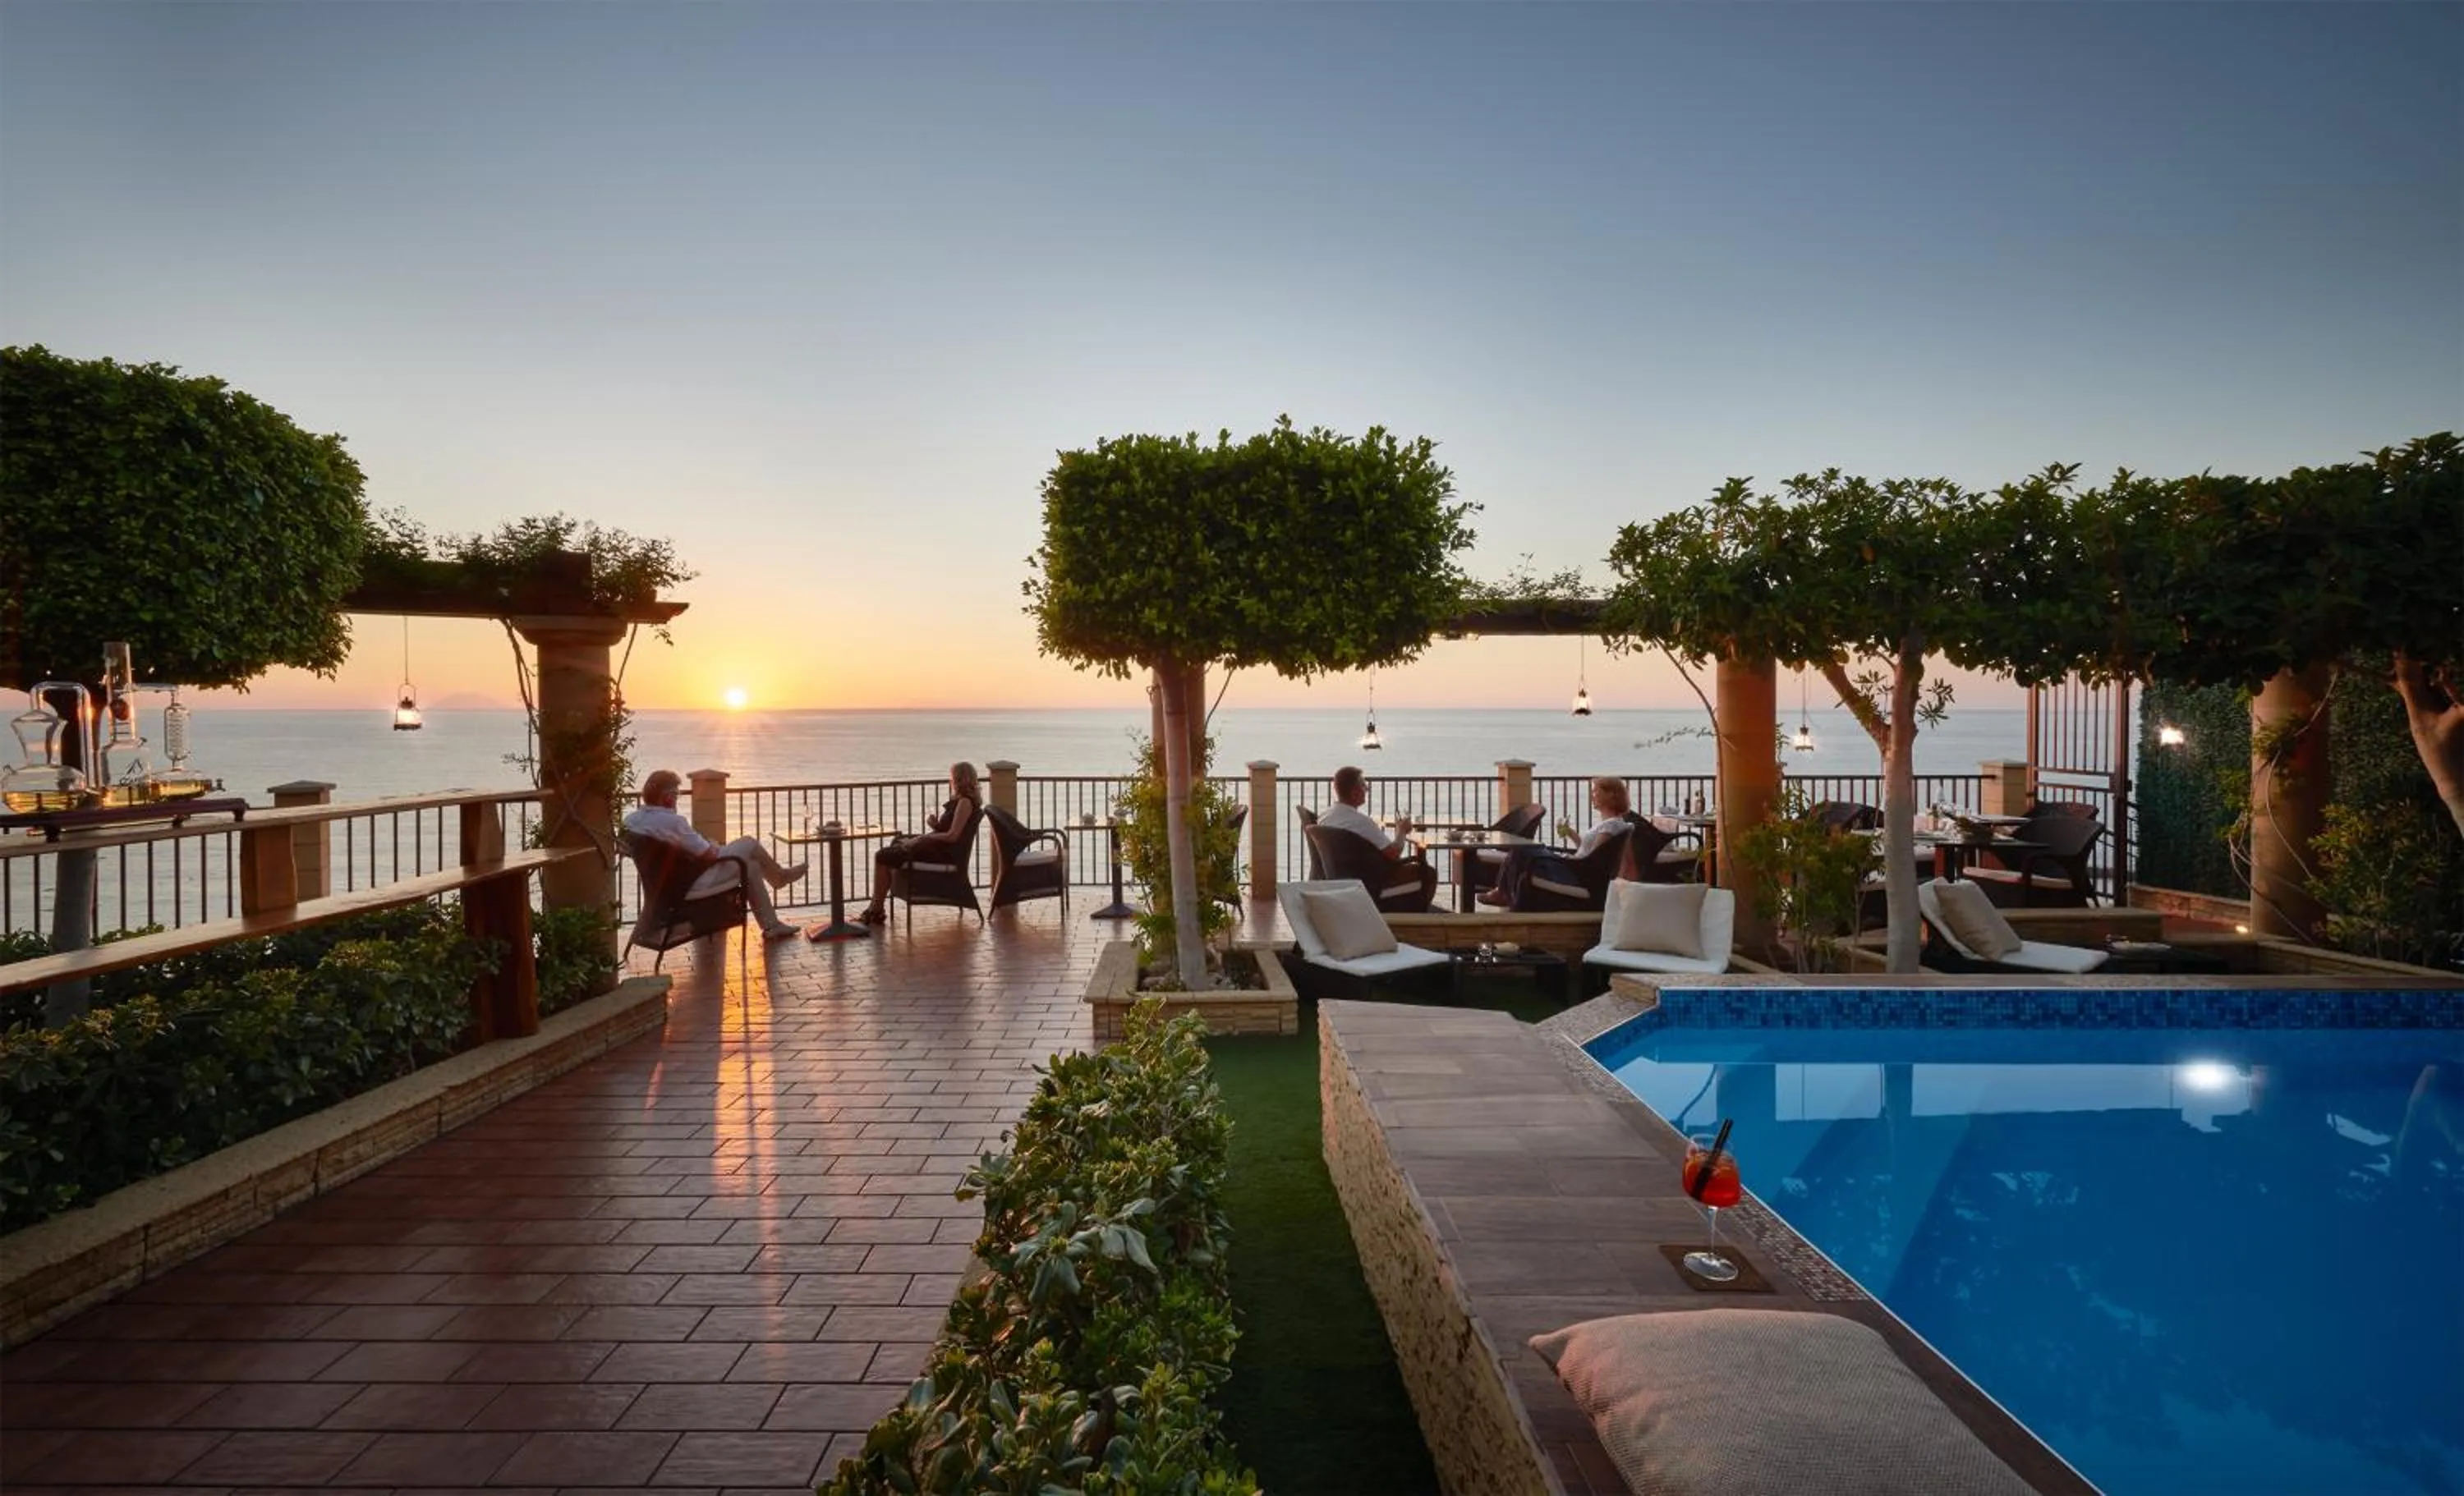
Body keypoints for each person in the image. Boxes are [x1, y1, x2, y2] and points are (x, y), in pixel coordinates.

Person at [624, 769, 806, 941]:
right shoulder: (674, 822)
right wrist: (711, 846)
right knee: (749, 843)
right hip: (695, 882)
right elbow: (709, 855)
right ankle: (780, 878)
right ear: (667, 798)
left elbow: (626, 849)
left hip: (670, 884)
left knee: (751, 867)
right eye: (676, 795)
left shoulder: (631, 821)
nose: (677, 799)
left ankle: (771, 926)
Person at [856, 762, 983, 925]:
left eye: (952, 778)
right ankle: (877, 908)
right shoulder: (962, 801)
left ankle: (876, 909)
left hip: (944, 855)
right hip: (940, 849)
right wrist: (936, 827)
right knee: (893, 849)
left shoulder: (965, 803)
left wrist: (924, 838)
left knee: (882, 855)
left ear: (959, 779)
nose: (950, 782)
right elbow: (950, 830)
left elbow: (953, 836)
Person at [1481, 774, 1634, 908]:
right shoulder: (1614, 824)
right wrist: (1570, 833)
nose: (1592, 796)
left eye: (1596, 792)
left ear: (1611, 795)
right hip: (1575, 868)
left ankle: (1502, 892)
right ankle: (1504, 892)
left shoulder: (1610, 826)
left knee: (1523, 849)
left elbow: (1593, 859)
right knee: (1525, 850)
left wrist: (1565, 859)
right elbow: (1589, 852)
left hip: (1574, 872)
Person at [1317, 766, 1415, 858]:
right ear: (1354, 793)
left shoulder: (1324, 817)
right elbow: (1394, 853)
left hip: (1337, 874)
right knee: (1425, 871)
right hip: (1369, 874)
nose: (1367, 789)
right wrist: (1402, 831)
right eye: (1363, 786)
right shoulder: (1361, 823)